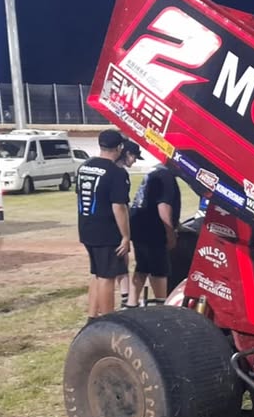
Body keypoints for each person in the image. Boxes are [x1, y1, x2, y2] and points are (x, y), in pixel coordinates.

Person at [77, 129, 131, 321]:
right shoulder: (116, 173)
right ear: (119, 148)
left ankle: (92, 317)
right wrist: (125, 236)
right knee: (108, 277)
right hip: (106, 232)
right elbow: (119, 207)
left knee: (97, 274)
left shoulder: (84, 167)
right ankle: (108, 320)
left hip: (86, 228)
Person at [126, 164, 181, 307]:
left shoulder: (154, 172)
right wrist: (170, 233)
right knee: (160, 270)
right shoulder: (166, 176)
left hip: (138, 226)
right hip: (153, 229)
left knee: (143, 266)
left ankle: (131, 303)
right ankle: (161, 305)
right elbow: (163, 206)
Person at [115, 140, 142, 308]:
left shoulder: (111, 170)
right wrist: (125, 233)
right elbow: (121, 204)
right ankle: (126, 298)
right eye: (134, 157)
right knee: (121, 260)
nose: (135, 161)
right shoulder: (119, 173)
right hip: (117, 223)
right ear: (127, 154)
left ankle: (125, 296)